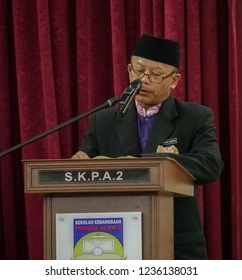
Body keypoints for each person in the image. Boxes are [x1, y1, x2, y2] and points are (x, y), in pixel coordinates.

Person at [72, 33, 223, 259]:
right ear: (128, 70)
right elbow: (86, 166)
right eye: (138, 71)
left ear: (174, 80)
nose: (143, 80)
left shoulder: (195, 117)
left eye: (156, 75)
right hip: (113, 235)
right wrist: (78, 164)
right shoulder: (103, 120)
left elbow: (211, 165)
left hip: (175, 239)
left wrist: (148, 163)